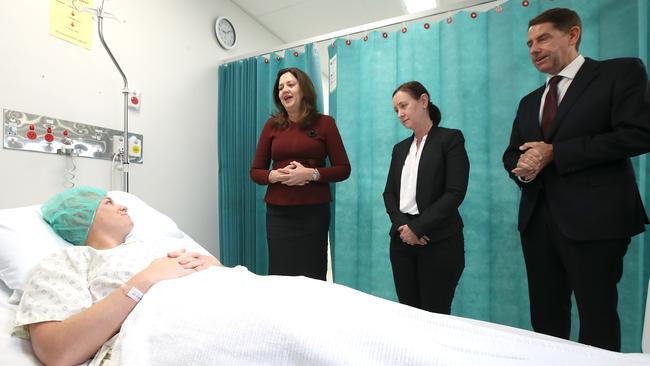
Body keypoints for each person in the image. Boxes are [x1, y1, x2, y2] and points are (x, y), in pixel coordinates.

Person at [502, 8, 650, 351]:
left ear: (573, 35)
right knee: (546, 319)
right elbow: (512, 154)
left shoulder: (619, 73)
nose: (533, 49)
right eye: (528, 43)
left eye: (543, 38)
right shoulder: (528, 102)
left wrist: (557, 153)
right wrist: (522, 167)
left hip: (596, 222)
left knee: (597, 319)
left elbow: (640, 134)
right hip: (538, 223)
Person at [15, 186, 221, 366]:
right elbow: (56, 351)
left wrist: (215, 266)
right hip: (188, 336)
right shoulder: (68, 261)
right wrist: (145, 280)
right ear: (81, 216)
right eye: (108, 203)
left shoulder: (161, 245)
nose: (123, 207)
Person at [250, 67, 351, 280]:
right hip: (278, 214)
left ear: (303, 89)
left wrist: (311, 174)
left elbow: (343, 169)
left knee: (312, 273)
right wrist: (276, 176)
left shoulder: (325, 124)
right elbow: (255, 172)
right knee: (280, 274)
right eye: (280, 87)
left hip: (313, 213)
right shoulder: (272, 126)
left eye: (290, 84)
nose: (284, 90)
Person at [383, 81, 469, 314]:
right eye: (396, 110)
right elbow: (389, 193)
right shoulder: (400, 148)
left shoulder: (450, 139)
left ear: (423, 101)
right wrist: (404, 227)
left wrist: (418, 228)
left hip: (439, 242)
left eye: (403, 106)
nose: (400, 114)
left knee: (435, 315)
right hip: (401, 242)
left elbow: (455, 192)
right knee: (409, 315)